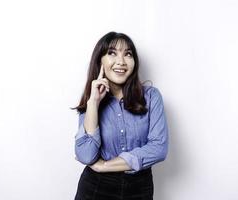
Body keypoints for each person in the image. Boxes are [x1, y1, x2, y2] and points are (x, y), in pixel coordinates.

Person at [72, 31, 169, 200]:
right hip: (96, 188)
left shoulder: (151, 97)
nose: (121, 62)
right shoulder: (92, 101)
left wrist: (105, 166)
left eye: (128, 54)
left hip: (139, 188)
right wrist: (93, 103)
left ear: (134, 62)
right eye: (112, 53)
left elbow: (159, 148)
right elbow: (86, 155)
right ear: (99, 61)